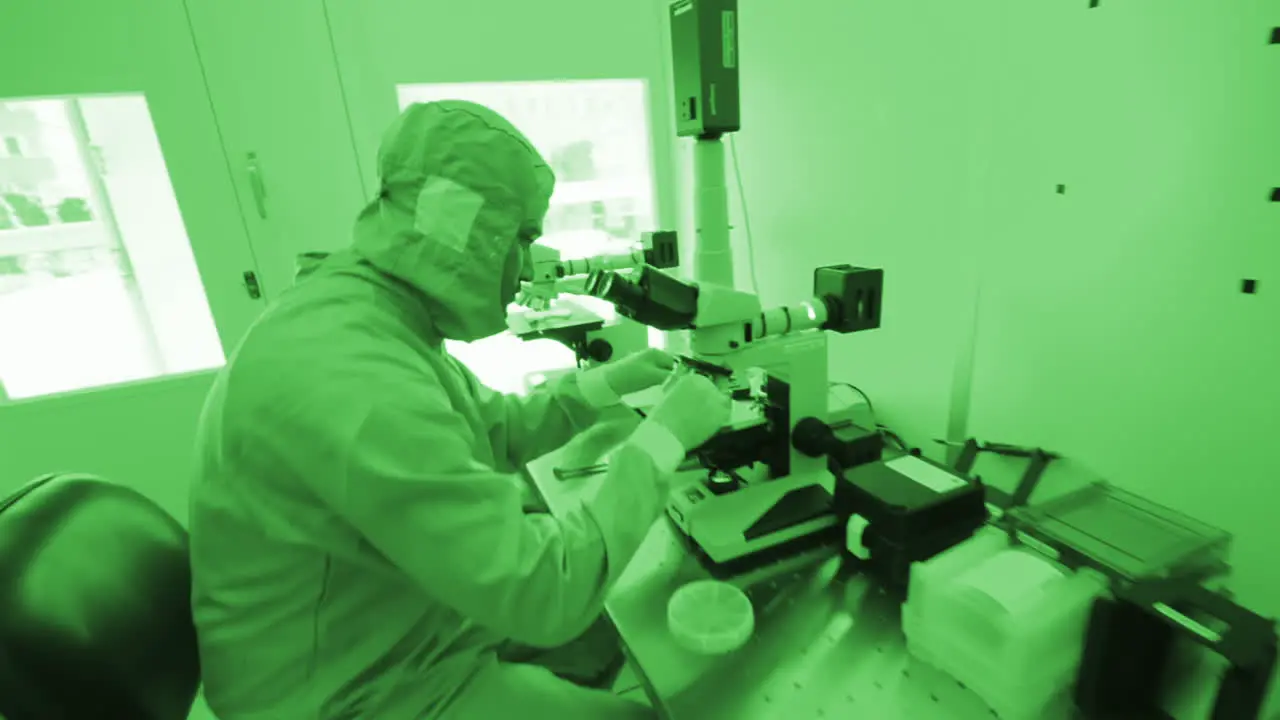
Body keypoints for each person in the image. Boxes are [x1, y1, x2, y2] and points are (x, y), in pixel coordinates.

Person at [188, 99, 732, 719]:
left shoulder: (368, 312)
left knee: (603, 632)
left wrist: (610, 384)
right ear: (469, 233)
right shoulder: (354, 375)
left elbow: (490, 425)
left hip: (378, 635)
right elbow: (543, 590)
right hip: (343, 696)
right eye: (522, 239)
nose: (528, 266)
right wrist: (665, 440)